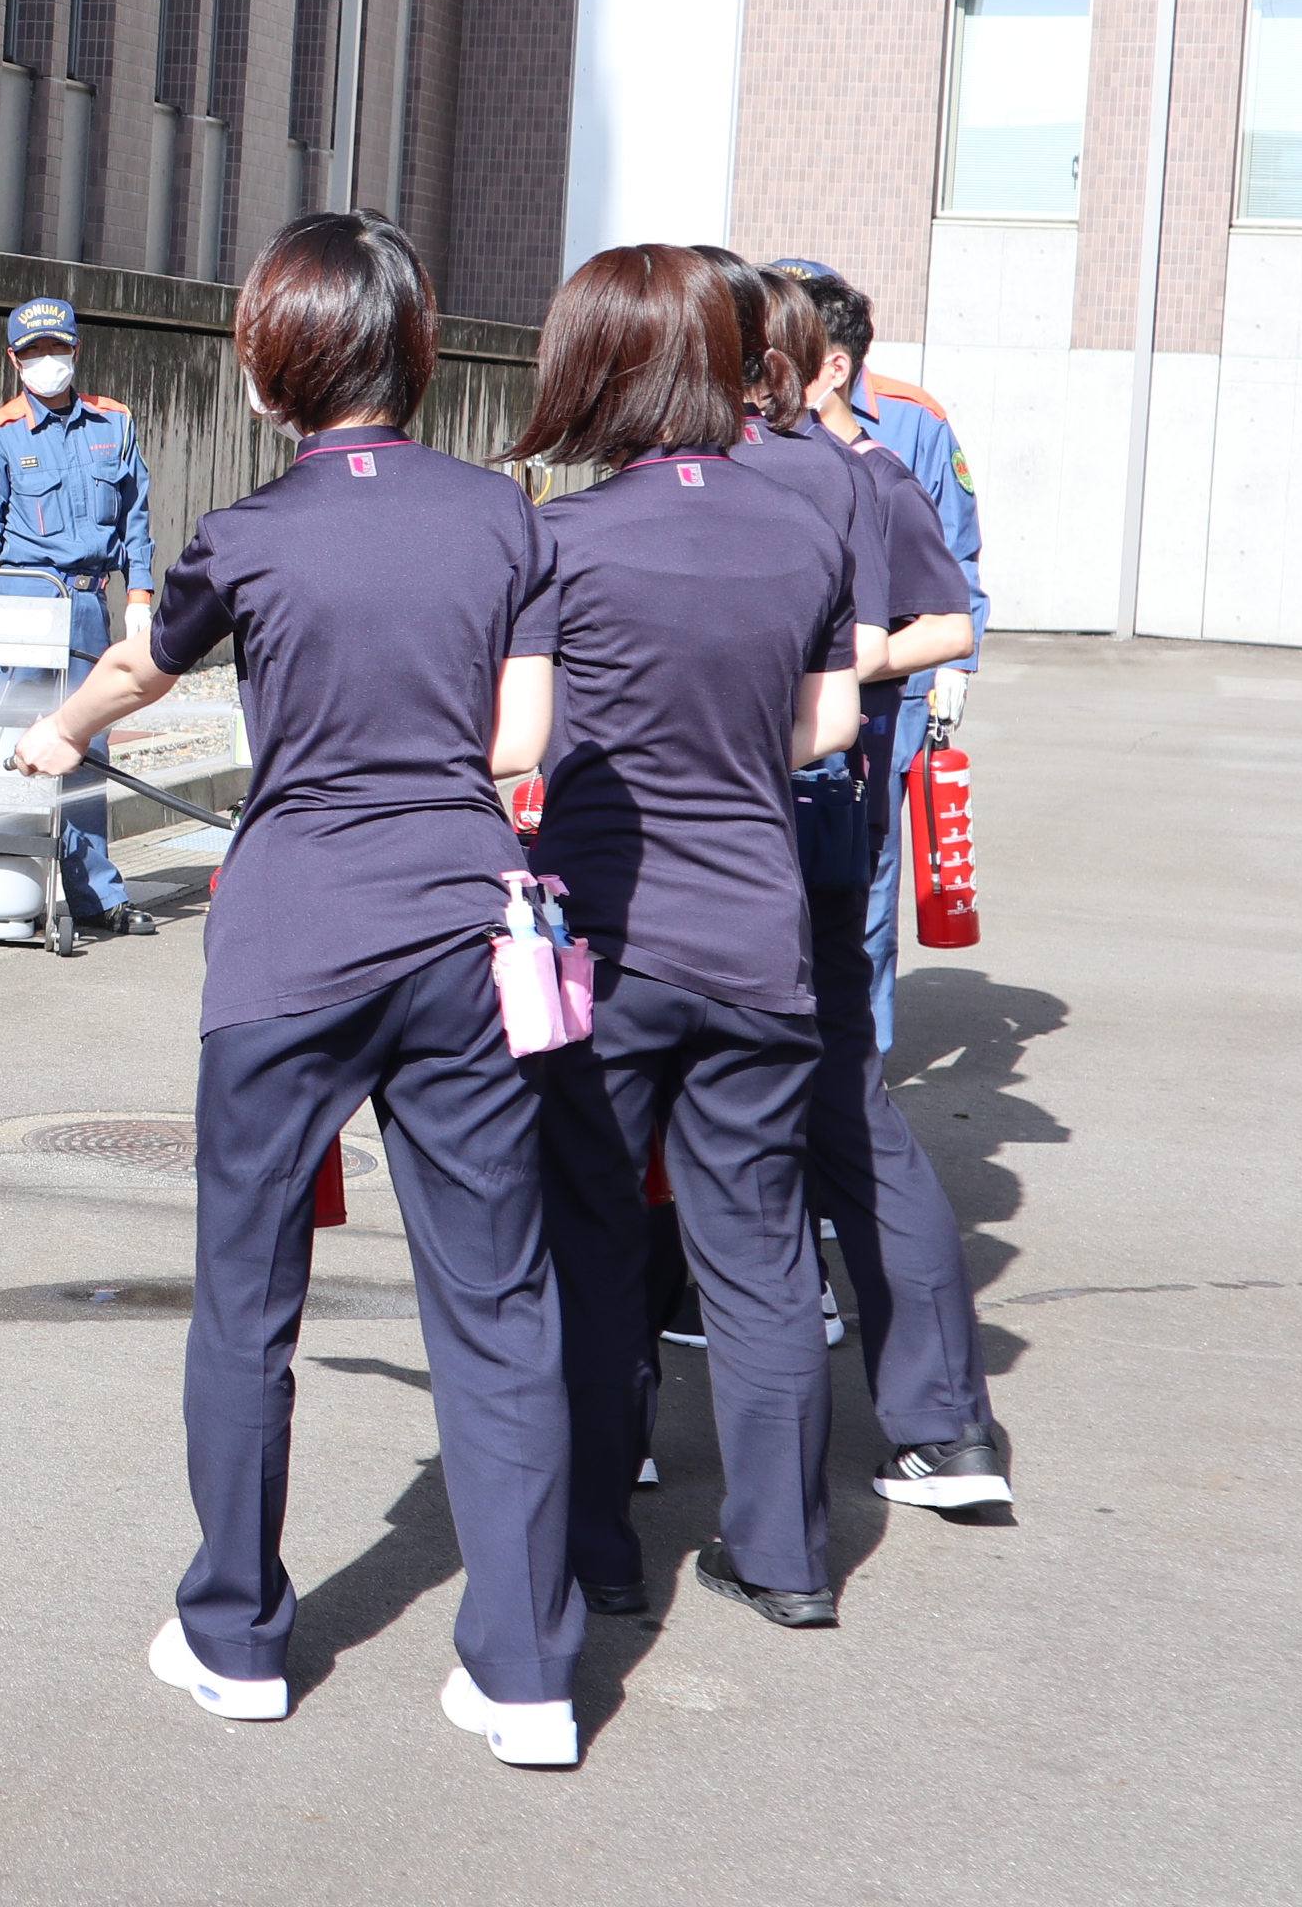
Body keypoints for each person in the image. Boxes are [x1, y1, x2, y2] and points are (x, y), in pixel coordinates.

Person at [17, 213, 582, 1768]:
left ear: (273, 370)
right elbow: (520, 742)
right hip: (464, 934)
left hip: (288, 946)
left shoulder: (247, 534)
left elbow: (143, 667)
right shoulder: (503, 518)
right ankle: (527, 1676)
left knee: (249, 1302)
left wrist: (59, 736)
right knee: (497, 1300)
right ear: (413, 352)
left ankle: (237, 1639)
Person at [510, 245, 865, 1632]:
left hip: (609, 944)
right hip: (759, 937)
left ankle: (599, 1544)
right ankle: (785, 1558)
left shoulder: (564, 540)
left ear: (599, 372)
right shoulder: (804, 526)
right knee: (761, 1252)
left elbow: (518, 738)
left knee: (594, 1244)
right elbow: (830, 724)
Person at [772, 272, 1017, 1512]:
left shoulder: (877, 453)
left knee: (698, 1095)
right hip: (793, 804)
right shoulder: (820, 470)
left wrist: (857, 674)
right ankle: (930, 1422)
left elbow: (951, 610)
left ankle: (619, 1446)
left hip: (807, 801)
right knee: (829, 1094)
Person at [771, 259, 985, 1053]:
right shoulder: (741, 429)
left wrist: (949, 670)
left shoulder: (908, 425)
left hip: (880, 698)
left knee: (864, 882)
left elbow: (954, 565)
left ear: (831, 359)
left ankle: (864, 1061)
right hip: (775, 698)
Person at [0, 296, 158, 941]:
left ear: (76, 350)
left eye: (57, 348)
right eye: (34, 351)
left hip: (89, 606)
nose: (48, 360)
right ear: (14, 360)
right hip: (23, 605)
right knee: (10, 742)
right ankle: (3, 888)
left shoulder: (114, 423)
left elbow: (136, 517)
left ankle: (96, 899)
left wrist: (140, 597)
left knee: (87, 744)